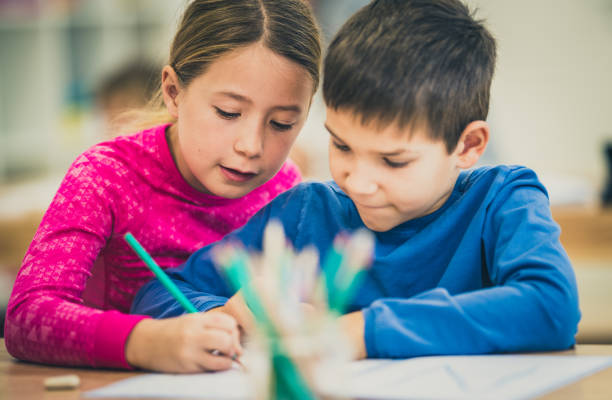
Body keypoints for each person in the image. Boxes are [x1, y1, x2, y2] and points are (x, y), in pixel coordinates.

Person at [132, 0, 580, 363]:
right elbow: (154, 293)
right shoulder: (308, 212)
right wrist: (225, 313)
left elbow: (551, 306)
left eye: (392, 160)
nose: (359, 182)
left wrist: (361, 331)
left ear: (468, 145)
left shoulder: (502, 200)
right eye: (342, 147)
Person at [4, 0, 322, 373]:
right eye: (228, 113)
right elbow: (27, 316)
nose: (251, 146)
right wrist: (148, 342)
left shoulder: (284, 188)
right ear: (173, 91)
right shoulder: (106, 175)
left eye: (282, 123)